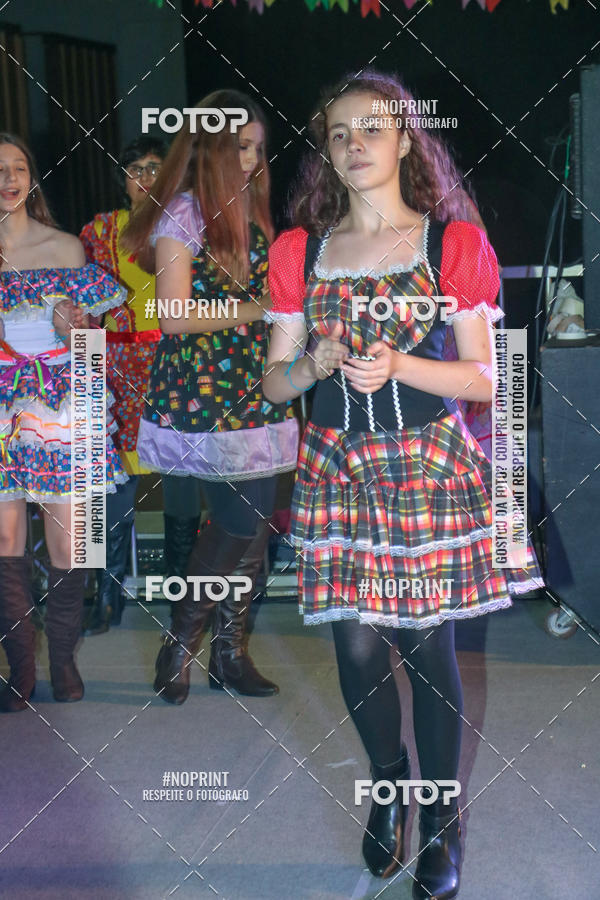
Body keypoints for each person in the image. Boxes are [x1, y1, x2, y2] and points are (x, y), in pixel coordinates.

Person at [263, 72, 543, 899]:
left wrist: (400, 364)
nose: (355, 145)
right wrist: (309, 363)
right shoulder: (298, 252)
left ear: (405, 142)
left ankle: (442, 818)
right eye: (340, 133)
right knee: (354, 649)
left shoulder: (451, 244)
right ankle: (388, 788)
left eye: (372, 130)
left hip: (425, 465)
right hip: (339, 468)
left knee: (426, 649)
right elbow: (275, 386)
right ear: (326, 148)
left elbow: (489, 380)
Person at [122, 90, 299, 702]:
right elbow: (171, 315)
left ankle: (227, 652)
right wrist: (261, 308)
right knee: (237, 519)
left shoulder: (257, 211)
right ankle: (181, 644)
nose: (252, 160)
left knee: (250, 527)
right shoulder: (185, 210)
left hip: (257, 377)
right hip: (204, 380)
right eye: (240, 147)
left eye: (258, 149)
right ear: (210, 147)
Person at [0, 133, 127, 712]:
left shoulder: (65, 247)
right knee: (4, 538)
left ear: (31, 178)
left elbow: (91, 346)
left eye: (18, 168)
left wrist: (74, 328)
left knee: (72, 539)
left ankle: (64, 658)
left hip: (62, 404)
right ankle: (22, 666)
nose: (8, 178)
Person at [79, 135, 168, 634]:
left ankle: (190, 593)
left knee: (184, 475)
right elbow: (77, 294)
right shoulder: (99, 230)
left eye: (156, 168)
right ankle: (106, 593)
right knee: (104, 484)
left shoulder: (184, 228)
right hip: (107, 361)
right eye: (136, 169)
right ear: (123, 178)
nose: (146, 178)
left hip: (171, 361)